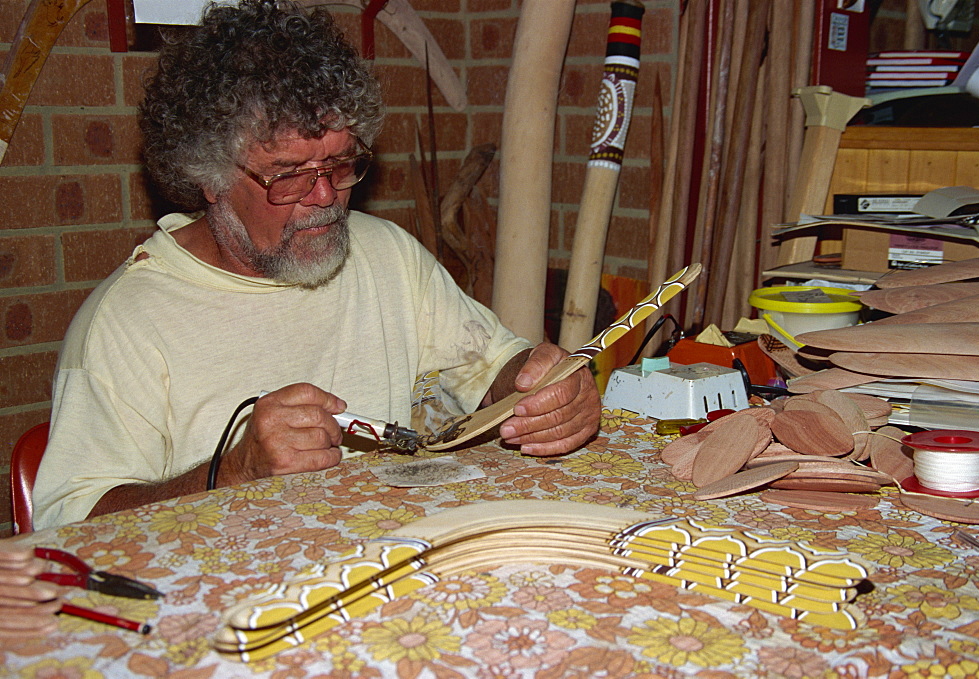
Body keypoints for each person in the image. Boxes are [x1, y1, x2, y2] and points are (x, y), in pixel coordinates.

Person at [31, 0, 600, 530]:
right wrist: (230, 472)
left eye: (340, 163)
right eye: (290, 175)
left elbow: (497, 370)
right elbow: (67, 527)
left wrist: (545, 388)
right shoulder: (129, 320)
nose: (326, 196)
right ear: (206, 176)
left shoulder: (385, 257)